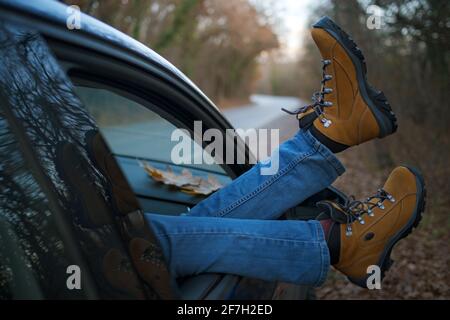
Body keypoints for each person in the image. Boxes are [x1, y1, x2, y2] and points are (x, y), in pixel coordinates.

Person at [95, 17, 425, 297]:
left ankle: (334, 152)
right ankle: (340, 236)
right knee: (151, 241)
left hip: (83, 248)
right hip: (84, 259)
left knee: (181, 227)